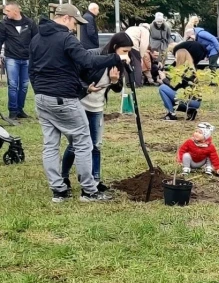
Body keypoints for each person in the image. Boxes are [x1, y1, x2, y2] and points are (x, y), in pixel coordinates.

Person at [29, 3, 125, 202]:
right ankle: (89, 191)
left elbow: (32, 69)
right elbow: (87, 62)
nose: (75, 27)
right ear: (66, 18)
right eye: (75, 23)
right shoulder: (66, 38)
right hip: (64, 99)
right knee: (84, 142)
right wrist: (115, 58)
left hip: (41, 98)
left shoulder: (36, 38)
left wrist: (40, 91)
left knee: (50, 145)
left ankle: (59, 191)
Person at [60, 33, 131, 195]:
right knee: (75, 144)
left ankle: (95, 180)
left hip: (97, 108)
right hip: (81, 104)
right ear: (115, 47)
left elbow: (119, 88)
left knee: (96, 145)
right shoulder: (93, 55)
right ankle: (63, 176)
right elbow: (74, 74)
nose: (127, 55)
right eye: (125, 50)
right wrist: (86, 87)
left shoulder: (119, 63)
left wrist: (114, 81)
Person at [0, 2, 37, 119]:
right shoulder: (4, 24)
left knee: (24, 85)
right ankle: (13, 111)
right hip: (11, 58)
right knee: (13, 85)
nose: (5, 13)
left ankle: (20, 110)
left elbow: (37, 40)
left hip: (27, 59)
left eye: (7, 11)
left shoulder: (30, 23)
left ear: (16, 11)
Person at [160, 48, 201, 120]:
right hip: (195, 101)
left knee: (162, 88)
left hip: (190, 100)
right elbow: (179, 84)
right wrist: (168, 76)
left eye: (176, 58)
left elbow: (174, 87)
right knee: (167, 99)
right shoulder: (191, 69)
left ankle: (171, 114)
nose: (175, 60)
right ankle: (190, 111)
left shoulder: (185, 71)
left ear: (180, 58)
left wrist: (164, 79)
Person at [125, 23, 150, 87]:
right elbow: (144, 44)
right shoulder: (145, 31)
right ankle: (137, 83)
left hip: (124, 45)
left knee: (127, 63)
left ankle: (128, 83)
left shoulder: (132, 28)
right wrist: (141, 56)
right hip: (133, 45)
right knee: (137, 65)